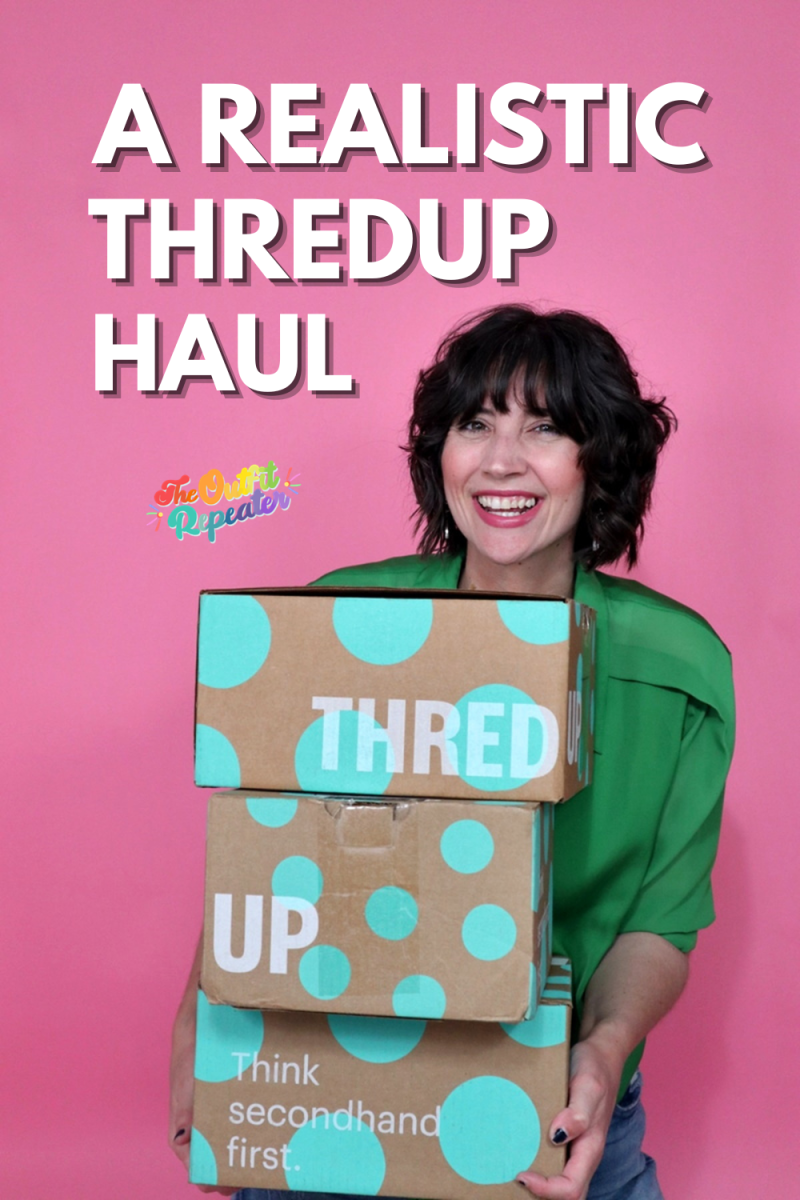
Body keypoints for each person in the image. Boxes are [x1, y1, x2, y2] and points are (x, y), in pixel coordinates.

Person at [170, 304, 735, 1200]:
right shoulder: (335, 628)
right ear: (440, 451)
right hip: (324, 1079)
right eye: (476, 424)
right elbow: (271, 850)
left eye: (545, 428)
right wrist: (202, 1035)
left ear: (602, 459)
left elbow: (657, 923)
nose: (501, 460)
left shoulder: (682, 670)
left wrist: (599, 1052)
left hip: (550, 1102)